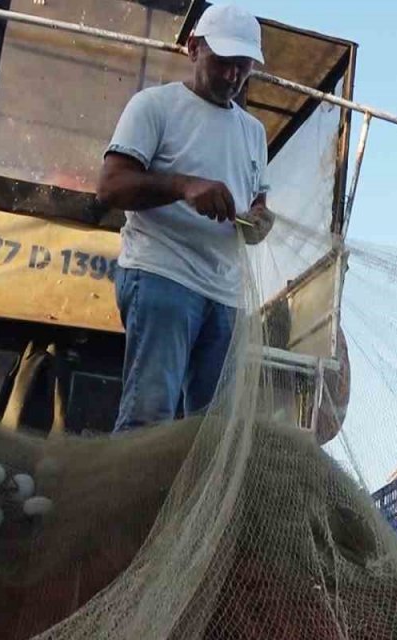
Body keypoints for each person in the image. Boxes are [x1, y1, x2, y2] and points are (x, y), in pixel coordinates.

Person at [97, 4, 274, 431]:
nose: (233, 76)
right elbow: (110, 187)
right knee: (150, 415)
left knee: (211, 432)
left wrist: (260, 221)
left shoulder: (254, 133)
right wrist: (183, 186)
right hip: (162, 275)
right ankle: (130, 499)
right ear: (194, 49)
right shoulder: (155, 106)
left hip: (226, 295)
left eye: (243, 66)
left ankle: (188, 501)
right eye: (224, 63)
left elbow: (260, 204)